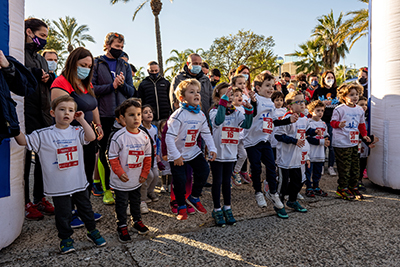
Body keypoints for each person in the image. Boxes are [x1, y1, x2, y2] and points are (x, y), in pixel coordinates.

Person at [15, 95, 106, 254]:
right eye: (62, 109)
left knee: (86, 209)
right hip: (59, 185)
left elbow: (91, 137)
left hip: (78, 182)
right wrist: (14, 128)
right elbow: (23, 141)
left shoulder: (77, 130)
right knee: (63, 214)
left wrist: (83, 120)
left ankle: (93, 231)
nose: (67, 113)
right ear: (52, 112)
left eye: (71, 110)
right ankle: (65, 239)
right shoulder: (42, 134)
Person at [50, 47, 104, 227]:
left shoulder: (86, 84)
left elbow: (93, 106)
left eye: (89, 66)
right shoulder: (61, 83)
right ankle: (69, 213)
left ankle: (83, 210)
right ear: (73, 63)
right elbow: (61, 114)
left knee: (86, 174)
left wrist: (97, 125)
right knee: (70, 175)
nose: (86, 69)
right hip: (70, 139)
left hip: (88, 137)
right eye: (83, 65)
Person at [243, 72, 297, 217]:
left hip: (265, 139)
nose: (271, 88)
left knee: (271, 166)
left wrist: (288, 120)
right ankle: (258, 192)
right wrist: (253, 103)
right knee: (255, 167)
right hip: (251, 140)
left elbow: (274, 121)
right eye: (267, 85)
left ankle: (272, 192)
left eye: (272, 86)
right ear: (258, 87)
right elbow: (252, 113)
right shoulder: (255, 99)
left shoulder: (270, 103)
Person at [166, 79, 217, 220]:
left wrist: (212, 148)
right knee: (180, 181)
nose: (197, 94)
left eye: (198, 92)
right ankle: (181, 206)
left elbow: (206, 133)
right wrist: (176, 156)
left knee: (204, 170)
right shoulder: (178, 115)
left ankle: (194, 197)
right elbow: (169, 138)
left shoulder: (200, 114)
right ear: (182, 98)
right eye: (192, 92)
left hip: (192, 150)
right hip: (177, 154)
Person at [92, 32, 136, 197]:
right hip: (103, 115)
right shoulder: (97, 63)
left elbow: (132, 91)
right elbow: (92, 88)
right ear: (107, 45)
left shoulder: (124, 65)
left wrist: (122, 85)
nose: (120, 49)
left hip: (122, 116)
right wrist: (112, 86)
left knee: (123, 152)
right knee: (105, 153)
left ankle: (122, 186)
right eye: (117, 46)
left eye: (122, 47)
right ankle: (107, 190)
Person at [23, 18, 55, 220]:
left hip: (43, 112)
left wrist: (49, 77)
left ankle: (39, 198)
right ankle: (25, 202)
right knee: (24, 160)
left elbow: (49, 76)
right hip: (26, 111)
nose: (44, 40)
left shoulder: (41, 58)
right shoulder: (18, 51)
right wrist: (32, 73)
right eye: (41, 36)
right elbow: (14, 72)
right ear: (29, 32)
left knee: (44, 158)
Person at [209, 83, 253, 226]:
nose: (229, 97)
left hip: (230, 154)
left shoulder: (236, 112)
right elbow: (219, 121)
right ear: (218, 98)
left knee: (227, 182)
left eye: (231, 94)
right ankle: (216, 209)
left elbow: (246, 125)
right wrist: (223, 101)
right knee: (217, 182)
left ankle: (227, 207)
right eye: (225, 94)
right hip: (217, 154)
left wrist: (248, 110)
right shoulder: (214, 111)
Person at [108, 99, 151, 243]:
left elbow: (148, 157)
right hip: (121, 181)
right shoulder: (118, 136)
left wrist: (145, 173)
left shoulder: (144, 136)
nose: (136, 118)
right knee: (121, 204)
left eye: (139, 114)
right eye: (131, 115)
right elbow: (112, 157)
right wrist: (119, 172)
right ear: (123, 118)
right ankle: (121, 225)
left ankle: (136, 221)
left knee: (136, 201)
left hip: (136, 179)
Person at [275, 91, 322, 217]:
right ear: (290, 106)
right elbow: (278, 136)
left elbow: (306, 130)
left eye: (303, 101)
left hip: (297, 158)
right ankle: (278, 204)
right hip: (285, 158)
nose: (302, 104)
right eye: (298, 102)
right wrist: (294, 141)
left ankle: (292, 200)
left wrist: (315, 131)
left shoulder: (304, 119)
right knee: (283, 183)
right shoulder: (286, 119)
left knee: (297, 181)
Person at [331, 83, 370, 200]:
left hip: (354, 142)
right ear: (344, 97)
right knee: (345, 167)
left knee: (355, 166)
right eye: (351, 94)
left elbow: (361, 125)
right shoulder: (339, 109)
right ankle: (342, 188)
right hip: (342, 143)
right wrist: (339, 124)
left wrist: (364, 136)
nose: (355, 97)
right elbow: (332, 123)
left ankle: (353, 187)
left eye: (357, 94)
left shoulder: (359, 110)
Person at [312, 70, 340, 176]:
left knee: (331, 146)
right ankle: (322, 165)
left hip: (333, 122)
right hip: (321, 121)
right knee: (322, 144)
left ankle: (331, 166)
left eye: (332, 77)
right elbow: (312, 104)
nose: (330, 80)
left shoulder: (337, 91)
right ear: (323, 79)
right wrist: (321, 103)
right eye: (328, 77)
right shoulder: (319, 91)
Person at [170, 53, 213, 119]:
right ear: (188, 64)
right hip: (185, 119)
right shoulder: (179, 79)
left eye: (200, 64)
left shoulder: (206, 79)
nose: (198, 66)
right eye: (195, 63)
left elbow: (211, 98)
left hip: (204, 118)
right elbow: (174, 99)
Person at [305, 100, 330, 197]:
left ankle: (316, 186)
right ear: (311, 111)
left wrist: (327, 140)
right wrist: (321, 142)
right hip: (311, 153)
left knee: (318, 171)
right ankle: (308, 187)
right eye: (318, 110)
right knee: (308, 172)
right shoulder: (309, 123)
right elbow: (308, 138)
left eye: (322, 111)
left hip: (320, 153)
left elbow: (326, 135)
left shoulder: (323, 124)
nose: (320, 113)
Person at [230, 74, 252, 184]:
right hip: (231, 137)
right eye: (236, 95)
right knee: (231, 157)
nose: (239, 97)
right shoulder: (230, 109)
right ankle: (229, 176)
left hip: (242, 136)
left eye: (244, 83)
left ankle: (235, 171)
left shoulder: (244, 106)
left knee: (243, 155)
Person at [140, 105, 161, 213]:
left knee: (156, 175)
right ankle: (143, 195)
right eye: (145, 112)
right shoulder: (140, 129)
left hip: (154, 156)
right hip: (145, 157)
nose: (149, 114)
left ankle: (150, 191)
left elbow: (157, 141)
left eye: (150, 112)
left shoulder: (154, 128)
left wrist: (157, 154)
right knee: (149, 175)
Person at [356, 96, 378, 191]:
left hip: (364, 145)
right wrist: (370, 140)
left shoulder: (367, 117)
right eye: (361, 105)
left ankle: (359, 180)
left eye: (365, 105)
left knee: (362, 162)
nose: (364, 107)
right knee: (356, 163)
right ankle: (354, 182)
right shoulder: (356, 117)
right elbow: (358, 132)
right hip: (357, 143)